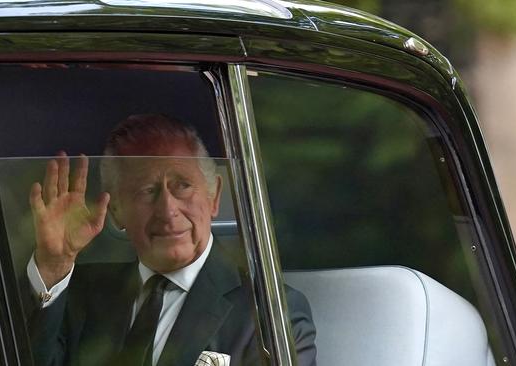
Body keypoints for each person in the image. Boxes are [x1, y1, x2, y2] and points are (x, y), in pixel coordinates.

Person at [24, 114, 317, 365]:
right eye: (146, 190)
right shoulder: (80, 294)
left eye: (183, 185)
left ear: (214, 195)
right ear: (116, 210)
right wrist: (54, 264)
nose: (167, 210)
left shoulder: (269, 310)